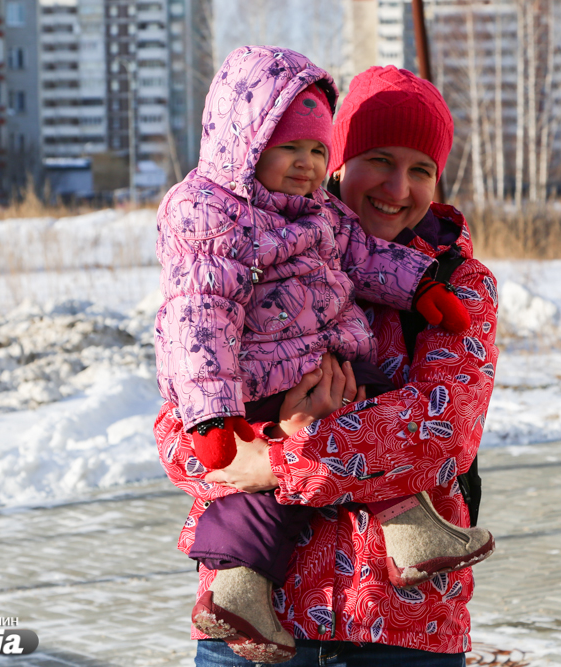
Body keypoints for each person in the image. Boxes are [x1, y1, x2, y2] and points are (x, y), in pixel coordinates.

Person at [154, 48, 494, 664]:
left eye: (422, 170)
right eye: (379, 161)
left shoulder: (459, 283)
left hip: (399, 630)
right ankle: (240, 586)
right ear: (338, 161)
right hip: (257, 632)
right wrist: (258, 434)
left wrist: (278, 459)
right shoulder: (237, 248)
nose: (399, 188)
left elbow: (440, 433)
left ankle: (413, 535)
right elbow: (180, 435)